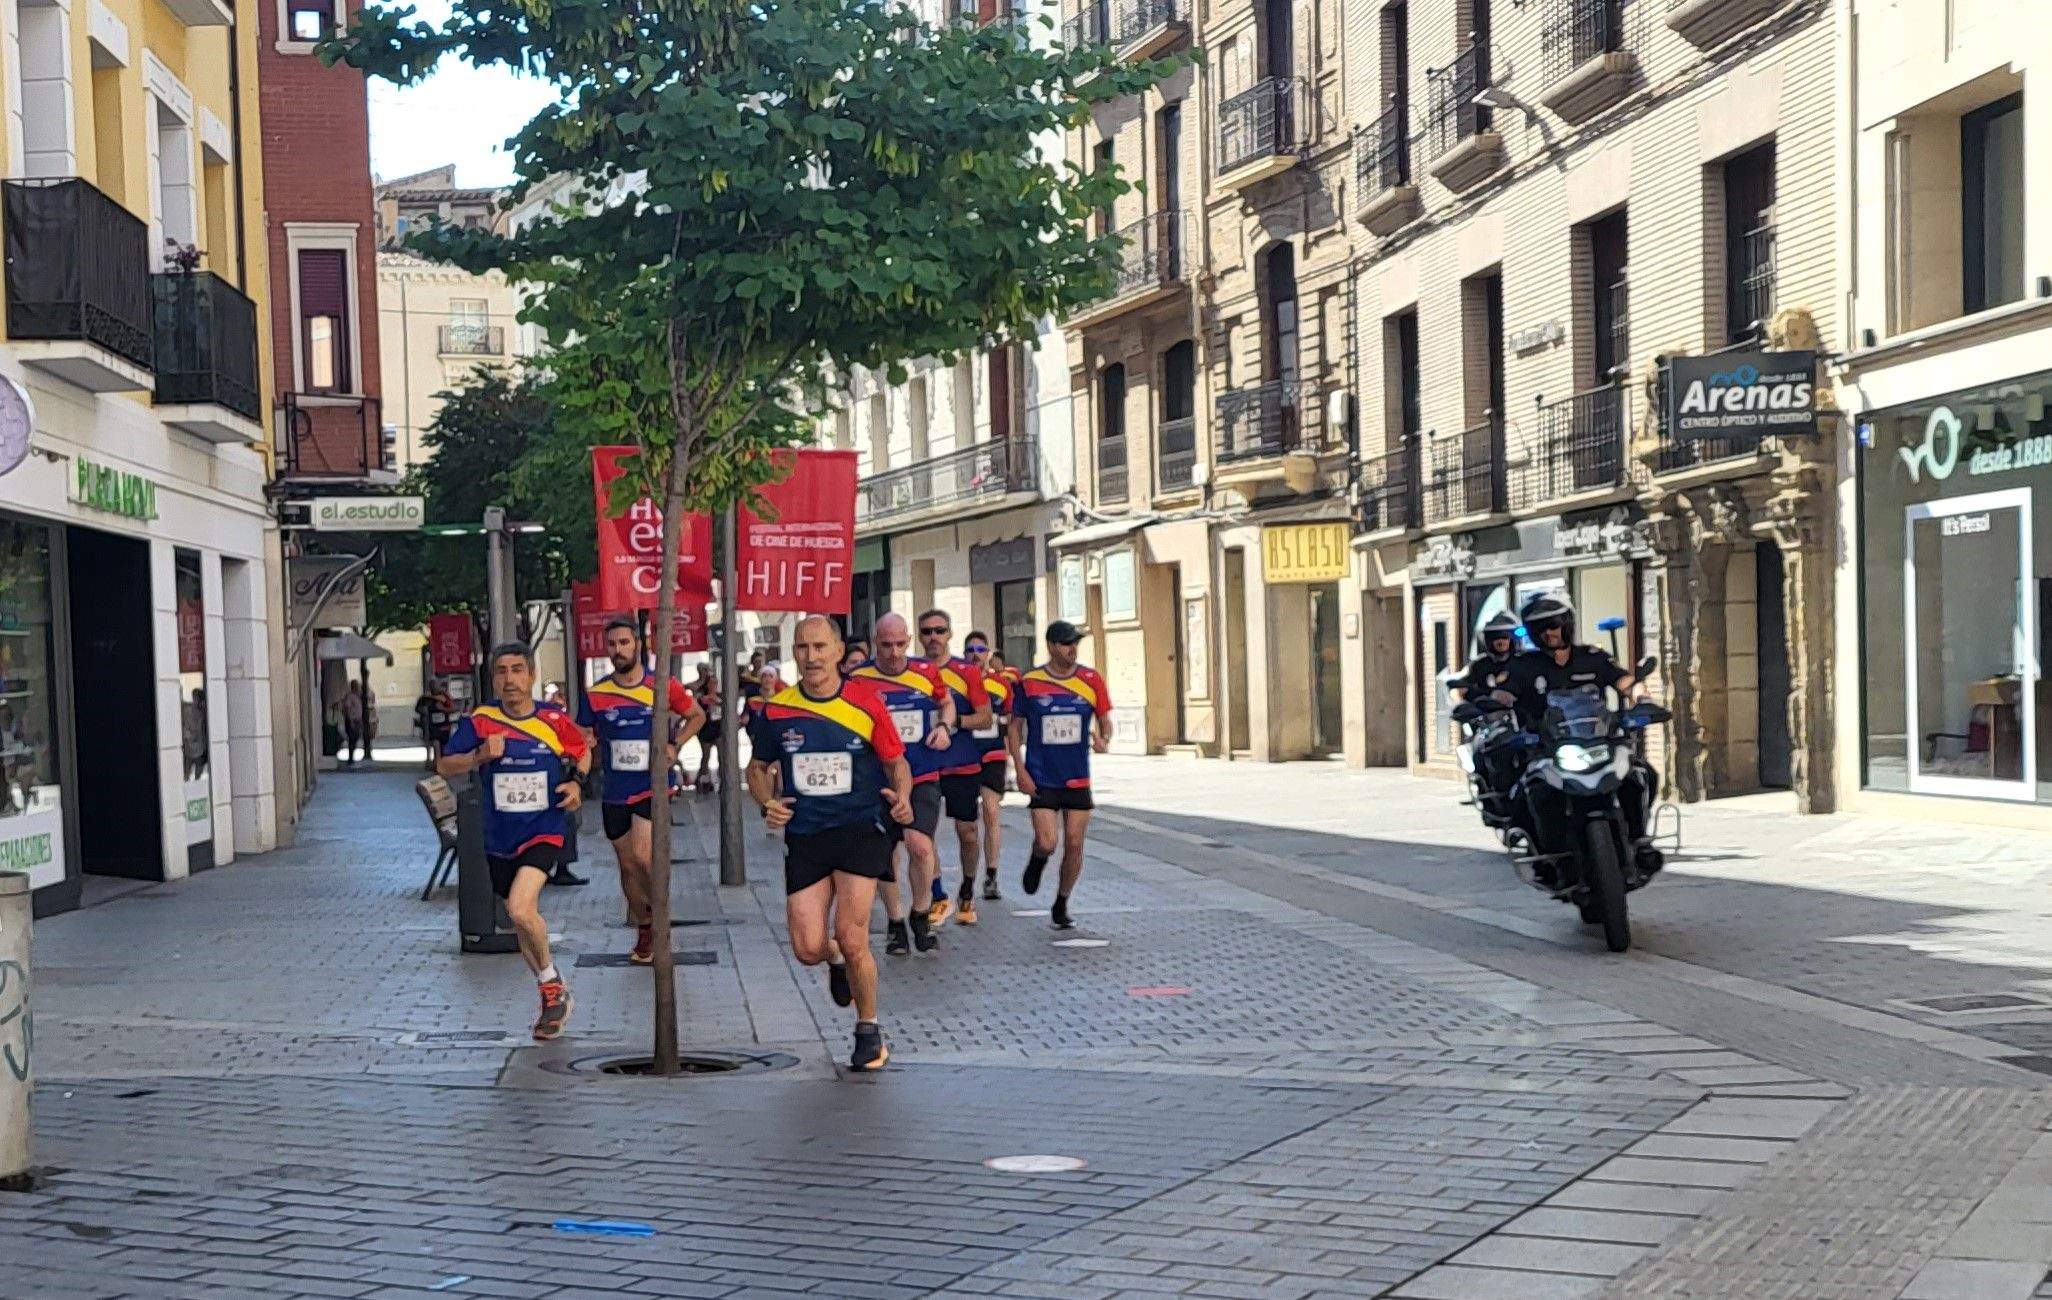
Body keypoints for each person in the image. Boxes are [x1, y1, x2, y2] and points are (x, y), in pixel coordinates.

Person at [746, 615, 913, 1072]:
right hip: (807, 835)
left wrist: (903, 798)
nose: (811, 656)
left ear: (839, 651)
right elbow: (756, 768)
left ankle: (869, 1031)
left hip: (861, 829)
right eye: (802, 648)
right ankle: (834, 958)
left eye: (820, 647)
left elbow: (897, 762)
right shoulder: (777, 710)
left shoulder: (866, 702)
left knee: (852, 932)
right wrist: (766, 802)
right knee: (807, 948)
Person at [437, 643, 590, 1041]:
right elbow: (443, 764)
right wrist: (477, 757)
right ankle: (550, 986)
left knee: (522, 909)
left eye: (517, 670)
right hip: (499, 834)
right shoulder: (480, 720)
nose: (510, 680)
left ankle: (553, 989)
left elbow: (583, 751)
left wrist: (577, 782)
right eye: (502, 671)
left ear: (532, 675)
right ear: (494, 679)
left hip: (544, 826)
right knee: (520, 920)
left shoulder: (553, 719)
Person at [1496, 593, 1658, 873]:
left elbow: (1625, 681)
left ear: (1567, 623)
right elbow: (1503, 693)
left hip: (1599, 740)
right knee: (1530, 793)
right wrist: (1494, 705)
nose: (1550, 632)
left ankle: (1639, 839)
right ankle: (1548, 855)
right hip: (1547, 748)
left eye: (1555, 624)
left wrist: (1642, 699)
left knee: (1640, 775)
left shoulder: (1592, 657)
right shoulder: (1523, 666)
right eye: (1541, 627)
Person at [578, 618, 707, 964]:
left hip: (652, 787)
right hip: (615, 790)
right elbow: (582, 733)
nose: (618, 650)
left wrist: (674, 744)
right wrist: (586, 744)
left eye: (624, 642)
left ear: (637, 644)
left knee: (643, 856)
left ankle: (661, 920)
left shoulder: (660, 685)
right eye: (612, 645)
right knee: (627, 866)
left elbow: (696, 715)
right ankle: (645, 925)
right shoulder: (597, 694)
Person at [850, 613, 954, 955]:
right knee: (885, 854)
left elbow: (946, 702)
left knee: (920, 846)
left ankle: (921, 912)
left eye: (899, 644)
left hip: (921, 773)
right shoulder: (857, 678)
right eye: (885, 645)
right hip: (876, 780)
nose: (894, 653)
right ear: (874, 642)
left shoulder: (926, 672)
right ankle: (895, 922)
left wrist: (945, 726)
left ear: (909, 641)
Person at [1007, 620, 1111, 931]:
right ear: (1052, 646)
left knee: (1075, 844)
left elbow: (1105, 719)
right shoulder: (1030, 681)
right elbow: (1014, 728)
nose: (1072, 649)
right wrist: (1019, 768)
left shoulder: (1091, 679)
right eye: (1066, 643)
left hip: (1077, 776)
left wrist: (1104, 738)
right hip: (1041, 776)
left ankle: (1062, 901)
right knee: (1049, 841)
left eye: (1075, 643)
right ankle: (1038, 859)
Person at [915, 610, 993, 927]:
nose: (933, 636)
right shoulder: (913, 671)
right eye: (927, 631)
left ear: (949, 634)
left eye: (940, 630)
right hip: (925, 765)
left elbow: (985, 718)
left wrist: (951, 723)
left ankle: (967, 890)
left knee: (968, 833)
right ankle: (937, 896)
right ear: (920, 636)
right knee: (924, 835)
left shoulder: (966, 672)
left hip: (961, 763)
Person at [965, 637, 1011, 902]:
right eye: (970, 650)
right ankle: (969, 876)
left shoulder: (1001, 684)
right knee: (968, 826)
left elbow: (1009, 720)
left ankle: (992, 875)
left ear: (989, 654)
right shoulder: (958, 682)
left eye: (980, 649)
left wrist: (1012, 755)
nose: (975, 654)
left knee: (992, 812)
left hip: (993, 755)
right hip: (966, 756)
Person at [692, 663, 723, 791]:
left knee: (722, 756)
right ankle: (703, 781)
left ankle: (723, 781)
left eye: (715, 683)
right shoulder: (701, 697)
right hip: (706, 729)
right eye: (711, 683)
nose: (713, 686)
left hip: (719, 729)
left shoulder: (721, 697)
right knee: (706, 756)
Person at [339, 681, 365, 768]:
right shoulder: (350, 696)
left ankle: (351, 757)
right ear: (353, 687)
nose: (358, 687)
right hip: (352, 721)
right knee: (352, 739)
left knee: (355, 739)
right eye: (357, 686)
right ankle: (350, 759)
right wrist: (350, 720)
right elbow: (347, 708)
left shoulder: (357, 696)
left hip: (357, 720)